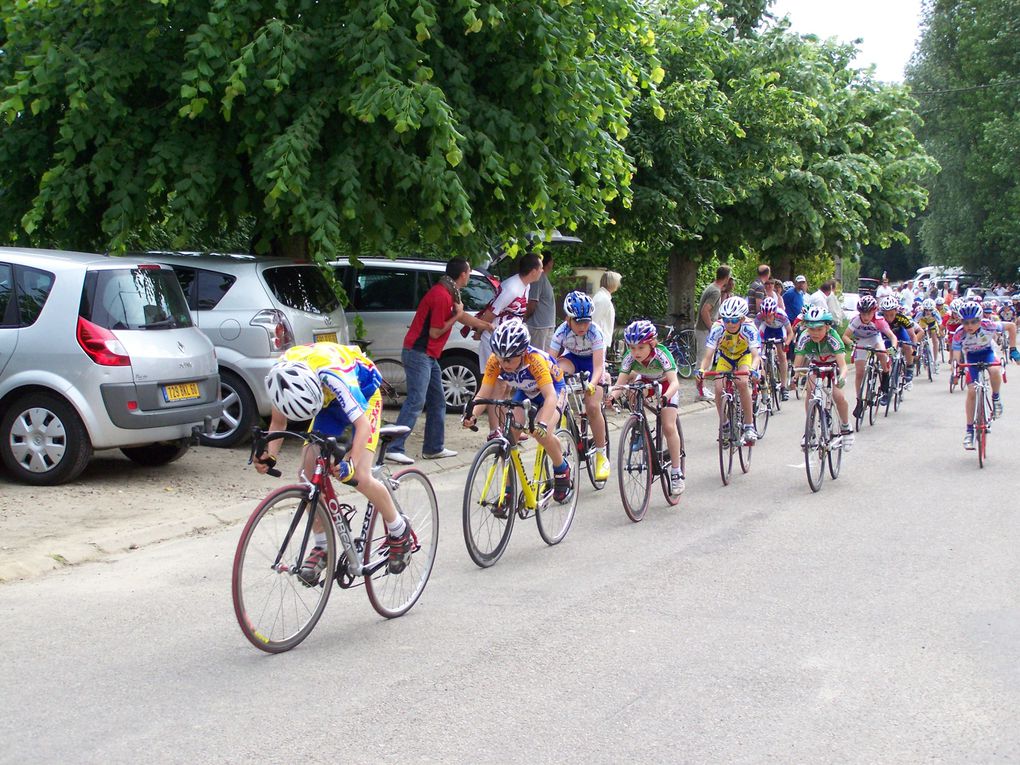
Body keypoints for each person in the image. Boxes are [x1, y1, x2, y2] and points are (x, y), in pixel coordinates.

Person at [256, 343, 412, 580]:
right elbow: (279, 424)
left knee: (359, 476)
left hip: (363, 394)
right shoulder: (282, 378)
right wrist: (270, 455)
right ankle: (323, 546)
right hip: (326, 403)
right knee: (307, 476)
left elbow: (362, 425)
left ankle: (399, 530)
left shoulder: (335, 377)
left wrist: (351, 460)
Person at [384, 258, 492, 465]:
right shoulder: (442, 295)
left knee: (438, 401)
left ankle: (433, 448)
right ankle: (393, 447)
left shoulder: (449, 292)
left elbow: (462, 318)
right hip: (419, 353)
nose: (469, 276)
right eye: (469, 272)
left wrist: (485, 326)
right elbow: (435, 332)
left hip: (428, 355)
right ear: (463, 275)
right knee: (416, 401)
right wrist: (457, 315)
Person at [463, 319, 574, 503]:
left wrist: (542, 423)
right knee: (509, 436)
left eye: (509, 359)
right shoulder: (495, 361)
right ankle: (508, 488)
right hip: (526, 392)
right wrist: (472, 415)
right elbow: (484, 393)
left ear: (522, 352)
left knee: (540, 433)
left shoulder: (535, 361)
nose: (503, 363)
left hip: (553, 389)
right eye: (500, 357)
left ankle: (561, 468)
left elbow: (550, 397)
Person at [608, 320, 685, 495]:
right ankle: (639, 429)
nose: (636, 352)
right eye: (632, 347)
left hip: (665, 384)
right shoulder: (629, 358)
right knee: (633, 390)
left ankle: (676, 472)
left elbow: (675, 382)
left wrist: (665, 397)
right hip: (647, 381)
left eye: (641, 348)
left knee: (668, 426)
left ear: (652, 344)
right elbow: (620, 384)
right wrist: (611, 397)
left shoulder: (662, 354)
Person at [549, 291, 610, 482]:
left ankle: (601, 455)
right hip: (573, 359)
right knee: (555, 370)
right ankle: (562, 411)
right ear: (568, 319)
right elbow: (549, 360)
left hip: (592, 364)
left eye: (587, 321)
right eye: (578, 322)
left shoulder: (595, 332)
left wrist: (592, 384)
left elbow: (599, 366)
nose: (583, 326)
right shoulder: (561, 331)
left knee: (592, 406)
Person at [951, 301, 1020, 450]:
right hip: (971, 357)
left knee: (995, 370)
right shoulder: (959, 333)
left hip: (987, 353)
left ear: (980, 320)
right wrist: (955, 371)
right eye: (965, 322)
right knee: (971, 391)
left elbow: (1012, 326)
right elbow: (956, 355)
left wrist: (1014, 350)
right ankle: (969, 431)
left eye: (974, 322)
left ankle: (996, 398)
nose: (969, 326)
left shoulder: (989, 325)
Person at [698, 296, 761, 445]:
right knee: (719, 388)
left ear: (742, 319)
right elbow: (708, 355)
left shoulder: (749, 328)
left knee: (743, 383)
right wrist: (701, 369)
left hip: (744, 356)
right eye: (726, 320)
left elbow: (756, 355)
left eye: (734, 320)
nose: (730, 324)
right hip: (725, 357)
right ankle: (724, 423)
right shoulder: (718, 328)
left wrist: (752, 369)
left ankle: (748, 426)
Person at [793, 306, 854, 450]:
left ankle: (846, 427)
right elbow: (798, 363)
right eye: (811, 329)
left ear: (827, 327)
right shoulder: (804, 337)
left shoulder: (833, 338)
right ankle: (810, 431)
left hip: (833, 365)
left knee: (838, 395)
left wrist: (842, 378)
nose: (814, 333)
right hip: (816, 364)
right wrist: (794, 376)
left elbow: (843, 366)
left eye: (819, 329)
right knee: (810, 390)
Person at [475, 253, 543, 368]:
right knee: (496, 381)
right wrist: (479, 331)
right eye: (540, 268)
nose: (542, 271)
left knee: (507, 382)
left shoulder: (526, 285)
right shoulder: (512, 288)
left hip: (508, 341)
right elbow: (491, 312)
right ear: (533, 271)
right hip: (494, 339)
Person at [842, 295, 899, 413]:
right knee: (859, 372)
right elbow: (845, 336)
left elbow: (893, 337)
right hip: (861, 340)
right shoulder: (856, 321)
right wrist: (851, 344)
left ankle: (886, 376)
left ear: (874, 311)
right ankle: (859, 401)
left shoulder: (879, 321)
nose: (866, 317)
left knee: (882, 354)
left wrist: (892, 349)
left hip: (875, 338)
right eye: (863, 314)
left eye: (869, 314)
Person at [696, 265, 731, 401]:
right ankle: (700, 392)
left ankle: (702, 389)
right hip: (704, 330)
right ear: (727, 278)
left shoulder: (712, 287)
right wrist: (712, 329)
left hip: (703, 329)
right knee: (703, 361)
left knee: (707, 361)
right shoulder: (716, 291)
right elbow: (705, 310)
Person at [754, 296, 794, 400]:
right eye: (765, 316)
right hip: (766, 330)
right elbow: (755, 334)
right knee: (758, 352)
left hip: (779, 331)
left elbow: (790, 333)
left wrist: (787, 343)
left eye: (769, 316)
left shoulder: (782, 316)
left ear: (775, 313)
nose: (767, 319)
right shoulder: (759, 317)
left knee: (782, 355)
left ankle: (784, 387)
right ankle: (762, 374)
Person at [879, 295, 921, 391]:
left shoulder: (902, 318)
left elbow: (913, 336)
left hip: (900, 334)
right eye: (886, 315)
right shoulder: (879, 318)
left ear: (896, 311)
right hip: (887, 337)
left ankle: (909, 369)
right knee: (886, 353)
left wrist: (914, 350)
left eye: (892, 315)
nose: (889, 318)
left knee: (907, 345)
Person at [525, 252, 556, 351]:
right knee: (537, 356)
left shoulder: (543, 277)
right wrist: (523, 319)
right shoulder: (538, 278)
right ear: (549, 262)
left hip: (546, 325)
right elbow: (532, 303)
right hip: (538, 326)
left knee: (545, 358)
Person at [591, 270, 622, 346]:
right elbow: (594, 321)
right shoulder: (603, 299)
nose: (619, 284)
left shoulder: (602, 297)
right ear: (612, 283)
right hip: (598, 342)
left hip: (598, 342)